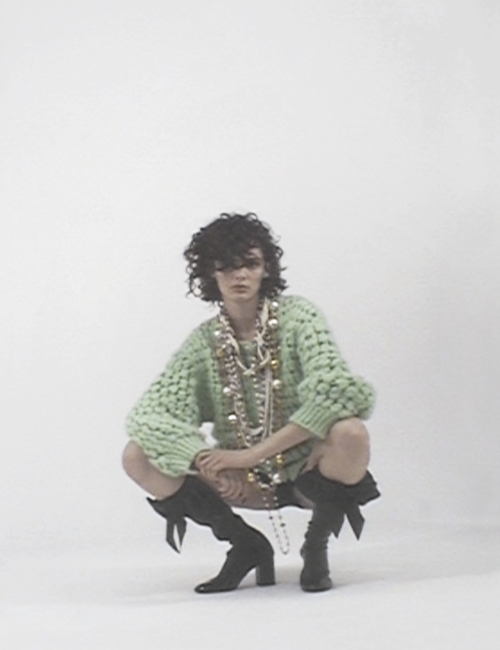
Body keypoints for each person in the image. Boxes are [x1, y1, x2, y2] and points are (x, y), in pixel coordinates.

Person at [122, 212, 380, 593]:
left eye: (250, 264)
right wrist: (205, 460)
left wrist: (248, 456)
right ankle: (245, 545)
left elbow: (336, 392)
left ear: (266, 269)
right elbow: (150, 416)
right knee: (136, 455)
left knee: (351, 433)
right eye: (226, 266)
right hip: (242, 484)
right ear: (210, 273)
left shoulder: (299, 318)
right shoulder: (204, 344)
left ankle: (316, 546)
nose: (239, 275)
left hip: (308, 472)